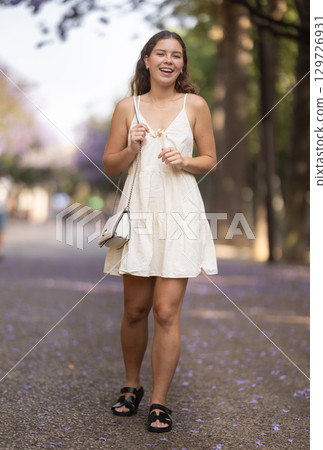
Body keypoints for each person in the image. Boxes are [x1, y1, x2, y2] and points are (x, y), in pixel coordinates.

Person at [102, 30, 218, 433]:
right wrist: (133, 148)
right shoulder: (126, 108)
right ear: (147, 60)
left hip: (180, 213)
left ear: (182, 64)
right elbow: (110, 165)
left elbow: (210, 160)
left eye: (176, 55)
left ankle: (158, 401)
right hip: (140, 213)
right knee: (135, 310)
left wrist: (184, 161)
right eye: (161, 53)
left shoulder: (196, 105)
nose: (169, 60)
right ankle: (131, 385)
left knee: (166, 311)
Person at [0, 165, 14, 261]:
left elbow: (11, 196)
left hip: (3, 209)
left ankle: (1, 250)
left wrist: (12, 209)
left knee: (2, 230)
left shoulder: (7, 181)